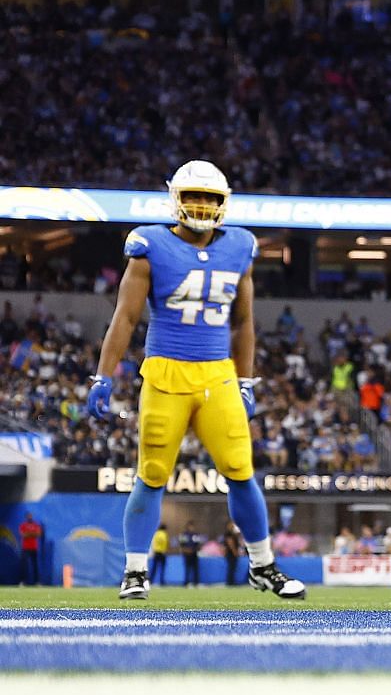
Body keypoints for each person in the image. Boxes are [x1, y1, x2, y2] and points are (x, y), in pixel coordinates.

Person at [86, 161, 305, 601]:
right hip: (166, 371)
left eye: (210, 198)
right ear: (175, 199)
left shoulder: (241, 246)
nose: (202, 206)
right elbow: (125, 317)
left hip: (218, 375)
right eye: (193, 197)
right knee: (151, 475)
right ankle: (135, 572)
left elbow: (244, 324)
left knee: (241, 472)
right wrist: (103, 377)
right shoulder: (150, 244)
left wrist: (246, 382)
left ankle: (263, 566)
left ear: (224, 203)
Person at [19, 512, 43, 585]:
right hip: (25, 548)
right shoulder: (23, 525)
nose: (30, 517)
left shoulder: (36, 525)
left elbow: (38, 534)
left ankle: (37, 582)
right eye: (28, 516)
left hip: (34, 547)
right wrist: (32, 533)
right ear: (26, 517)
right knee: (24, 565)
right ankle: (23, 581)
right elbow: (23, 535)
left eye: (31, 516)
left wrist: (29, 533)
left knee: (35, 565)